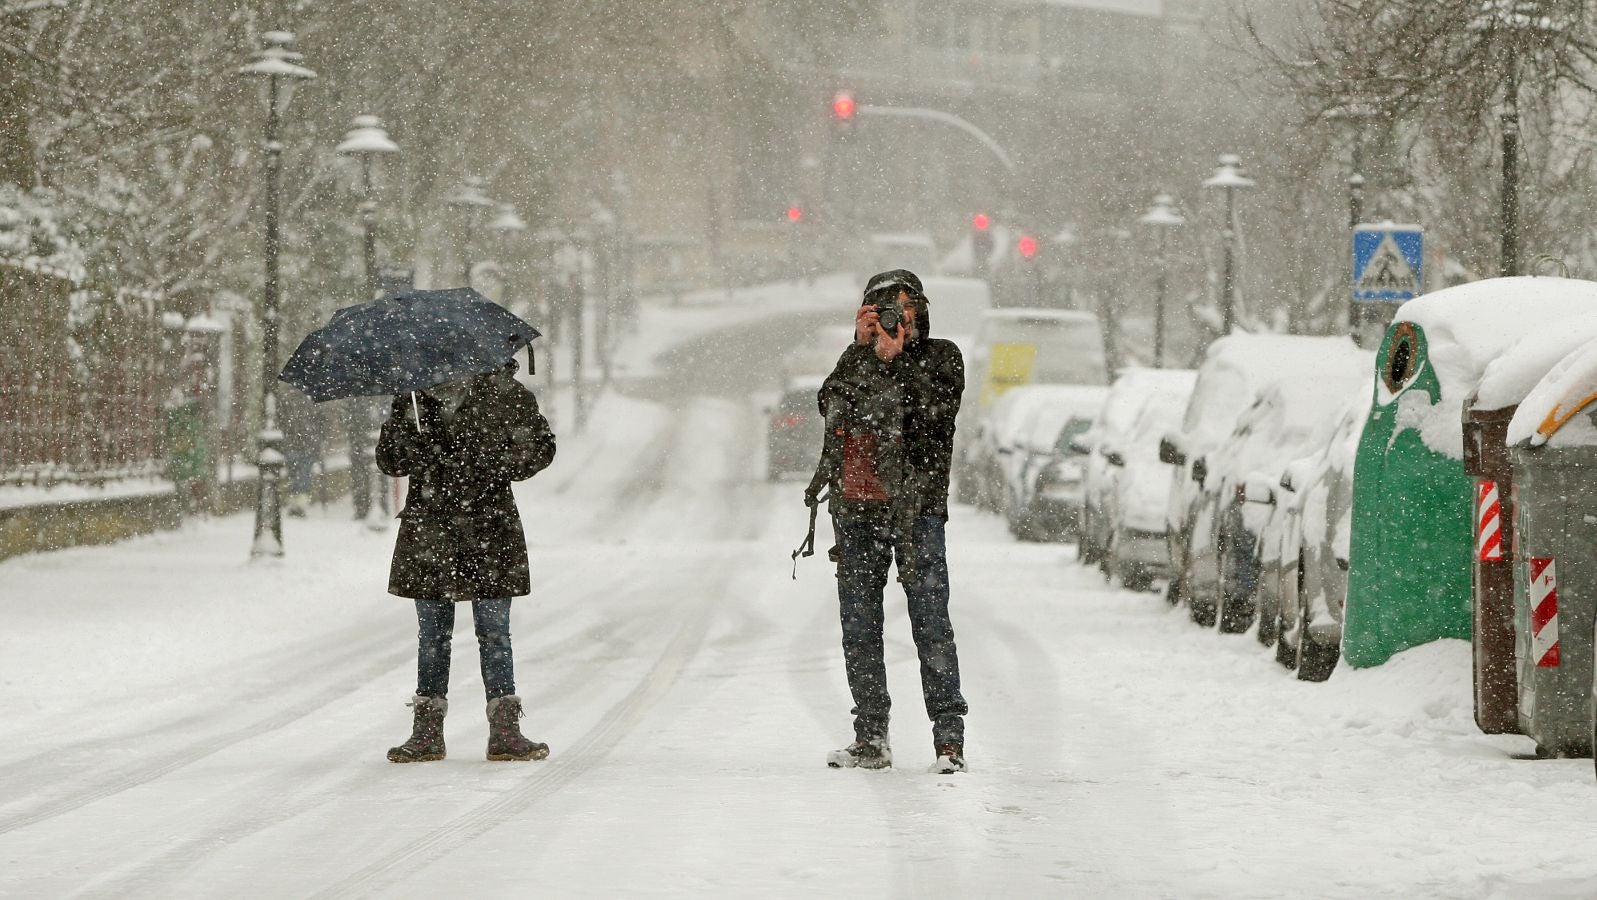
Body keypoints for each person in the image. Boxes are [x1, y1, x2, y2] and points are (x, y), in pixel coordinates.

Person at [815, 269, 969, 774]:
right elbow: (831, 408)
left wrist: (896, 360)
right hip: (859, 510)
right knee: (859, 626)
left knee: (931, 624)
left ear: (920, 309)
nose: (893, 318)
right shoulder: (856, 357)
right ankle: (871, 737)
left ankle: (949, 739)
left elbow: (934, 413)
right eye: (882, 308)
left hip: (918, 511)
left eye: (903, 307)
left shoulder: (942, 357)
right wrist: (862, 351)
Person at [376, 357, 557, 763]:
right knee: (433, 637)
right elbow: (390, 461)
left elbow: (541, 448)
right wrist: (413, 445)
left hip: (489, 527)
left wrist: (496, 461)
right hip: (432, 528)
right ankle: (427, 732)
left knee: (494, 633)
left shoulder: (506, 395)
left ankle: (505, 731)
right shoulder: (412, 398)